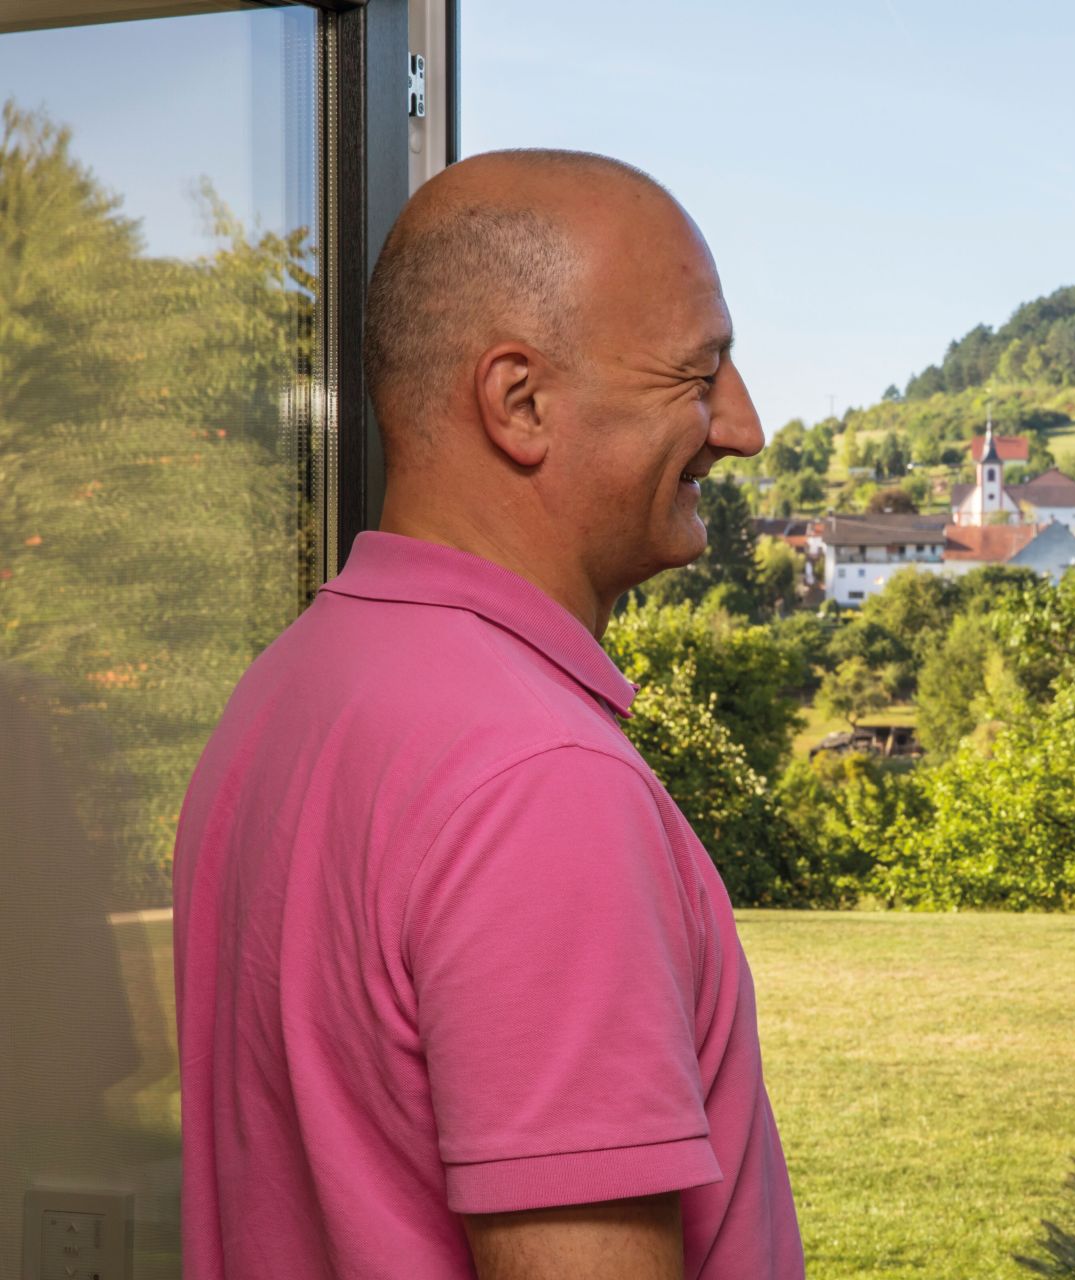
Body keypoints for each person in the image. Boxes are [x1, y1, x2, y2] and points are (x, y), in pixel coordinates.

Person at [172, 150, 804, 1279]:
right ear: (520, 403)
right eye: (699, 376)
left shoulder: (287, 690)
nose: (744, 428)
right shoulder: (540, 781)